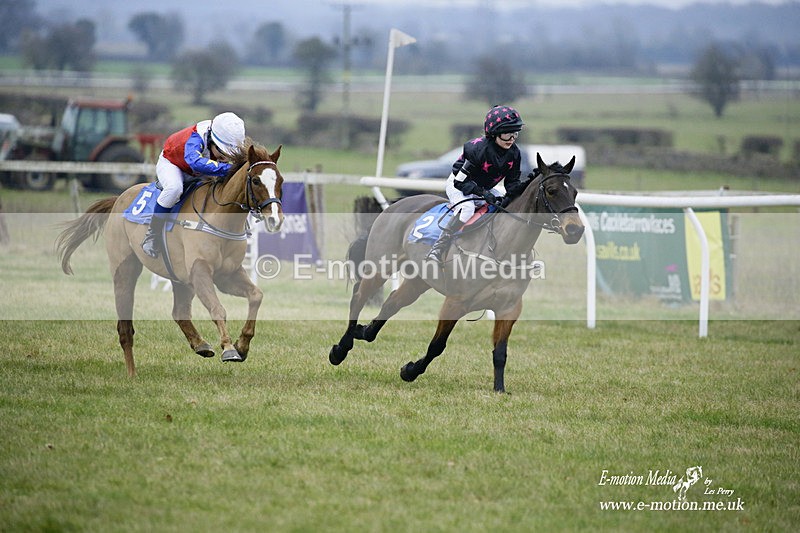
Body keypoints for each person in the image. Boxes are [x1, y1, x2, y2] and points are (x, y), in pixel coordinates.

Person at [427, 105, 527, 265]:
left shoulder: (515, 153)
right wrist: (484, 193)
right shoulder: (477, 150)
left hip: (481, 188)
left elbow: (512, 184)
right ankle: (438, 247)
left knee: (504, 204)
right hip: (458, 184)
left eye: (515, 133)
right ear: (494, 133)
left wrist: (524, 189)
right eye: (508, 134)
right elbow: (460, 181)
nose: (512, 139)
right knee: (467, 209)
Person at [142, 112, 246, 258]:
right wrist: (228, 169)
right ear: (211, 140)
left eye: (229, 155)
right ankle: (152, 235)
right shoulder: (197, 136)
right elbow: (194, 162)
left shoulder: (227, 137)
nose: (224, 159)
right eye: (222, 153)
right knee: (174, 189)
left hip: (198, 171)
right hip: (173, 164)